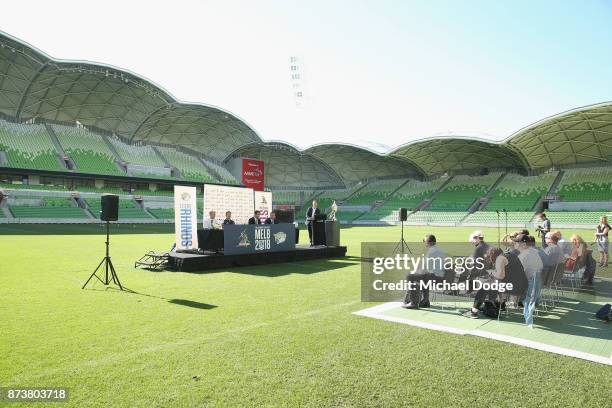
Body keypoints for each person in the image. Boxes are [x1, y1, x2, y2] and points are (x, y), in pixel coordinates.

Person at [462, 247, 526, 319]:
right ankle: (500, 306)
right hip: (520, 284)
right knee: (491, 283)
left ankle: (474, 312)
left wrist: (491, 272)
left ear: (493, 254)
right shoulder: (510, 255)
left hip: (514, 287)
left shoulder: (500, 258)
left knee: (484, 287)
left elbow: (500, 276)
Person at [401, 234, 446, 309]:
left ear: (428, 242)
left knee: (410, 276)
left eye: (424, 241)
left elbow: (424, 268)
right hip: (440, 277)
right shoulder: (439, 250)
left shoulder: (431, 252)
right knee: (422, 278)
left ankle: (413, 302)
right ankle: (425, 301)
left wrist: (416, 272)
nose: (424, 243)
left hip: (435, 278)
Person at [514, 234, 543, 328]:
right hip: (536, 284)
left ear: (523, 244)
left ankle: (528, 319)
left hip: (530, 286)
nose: (515, 244)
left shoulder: (523, 255)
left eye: (517, 242)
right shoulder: (533, 251)